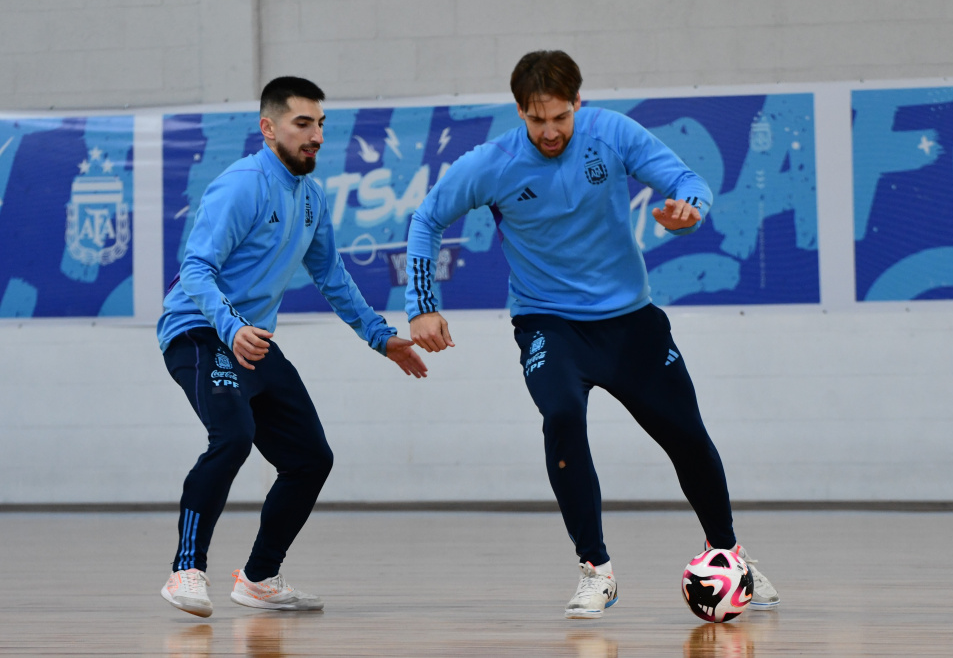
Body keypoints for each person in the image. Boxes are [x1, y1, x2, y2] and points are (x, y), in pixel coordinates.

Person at [405, 51, 779, 619]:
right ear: (520, 112)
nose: (550, 132)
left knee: (687, 434)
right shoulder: (493, 163)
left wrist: (691, 210)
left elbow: (686, 180)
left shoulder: (611, 133)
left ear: (578, 102)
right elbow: (427, 219)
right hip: (549, 323)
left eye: (560, 116)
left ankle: (728, 552)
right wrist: (423, 307)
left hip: (631, 322)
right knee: (561, 416)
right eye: (537, 120)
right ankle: (595, 569)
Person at [157, 76, 427, 618]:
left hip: (252, 337)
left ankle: (259, 577)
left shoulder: (309, 196)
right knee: (232, 437)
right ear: (269, 127)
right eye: (303, 124)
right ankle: (186, 570)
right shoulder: (241, 186)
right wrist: (231, 329)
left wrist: (382, 338)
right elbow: (195, 269)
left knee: (310, 459)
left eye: (320, 124)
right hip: (200, 330)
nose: (316, 136)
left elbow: (331, 275)